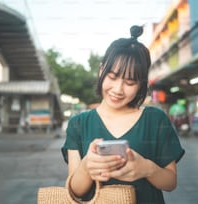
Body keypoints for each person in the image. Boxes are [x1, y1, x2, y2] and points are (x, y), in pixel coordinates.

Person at [61, 25, 185, 203]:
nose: (118, 89)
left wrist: (146, 168)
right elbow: (76, 191)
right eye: (112, 77)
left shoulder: (155, 120)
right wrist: (87, 166)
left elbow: (170, 182)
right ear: (101, 70)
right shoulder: (78, 124)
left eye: (130, 82)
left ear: (141, 84)